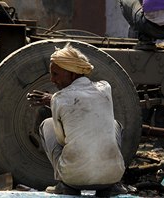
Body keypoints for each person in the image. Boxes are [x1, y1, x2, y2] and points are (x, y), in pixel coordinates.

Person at [26, 43, 127, 197]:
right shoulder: (105, 88)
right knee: (114, 124)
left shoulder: (59, 98)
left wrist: (53, 102)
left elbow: (61, 139)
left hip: (74, 179)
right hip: (112, 177)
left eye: (56, 74)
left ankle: (63, 184)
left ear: (72, 74)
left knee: (47, 124)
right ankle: (113, 186)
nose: (52, 80)